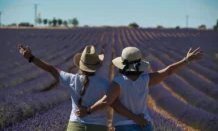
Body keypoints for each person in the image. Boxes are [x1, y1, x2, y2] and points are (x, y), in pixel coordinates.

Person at [17, 44, 147, 131]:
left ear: (80, 65)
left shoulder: (71, 79)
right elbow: (114, 104)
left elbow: (51, 69)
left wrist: (31, 58)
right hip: (98, 127)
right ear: (97, 65)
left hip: (75, 126)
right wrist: (136, 118)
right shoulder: (104, 83)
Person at [75, 46, 204, 131]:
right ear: (139, 66)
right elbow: (168, 71)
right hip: (145, 125)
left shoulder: (118, 83)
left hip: (125, 126)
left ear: (122, 65)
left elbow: (106, 101)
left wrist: (88, 111)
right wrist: (186, 60)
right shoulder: (146, 80)